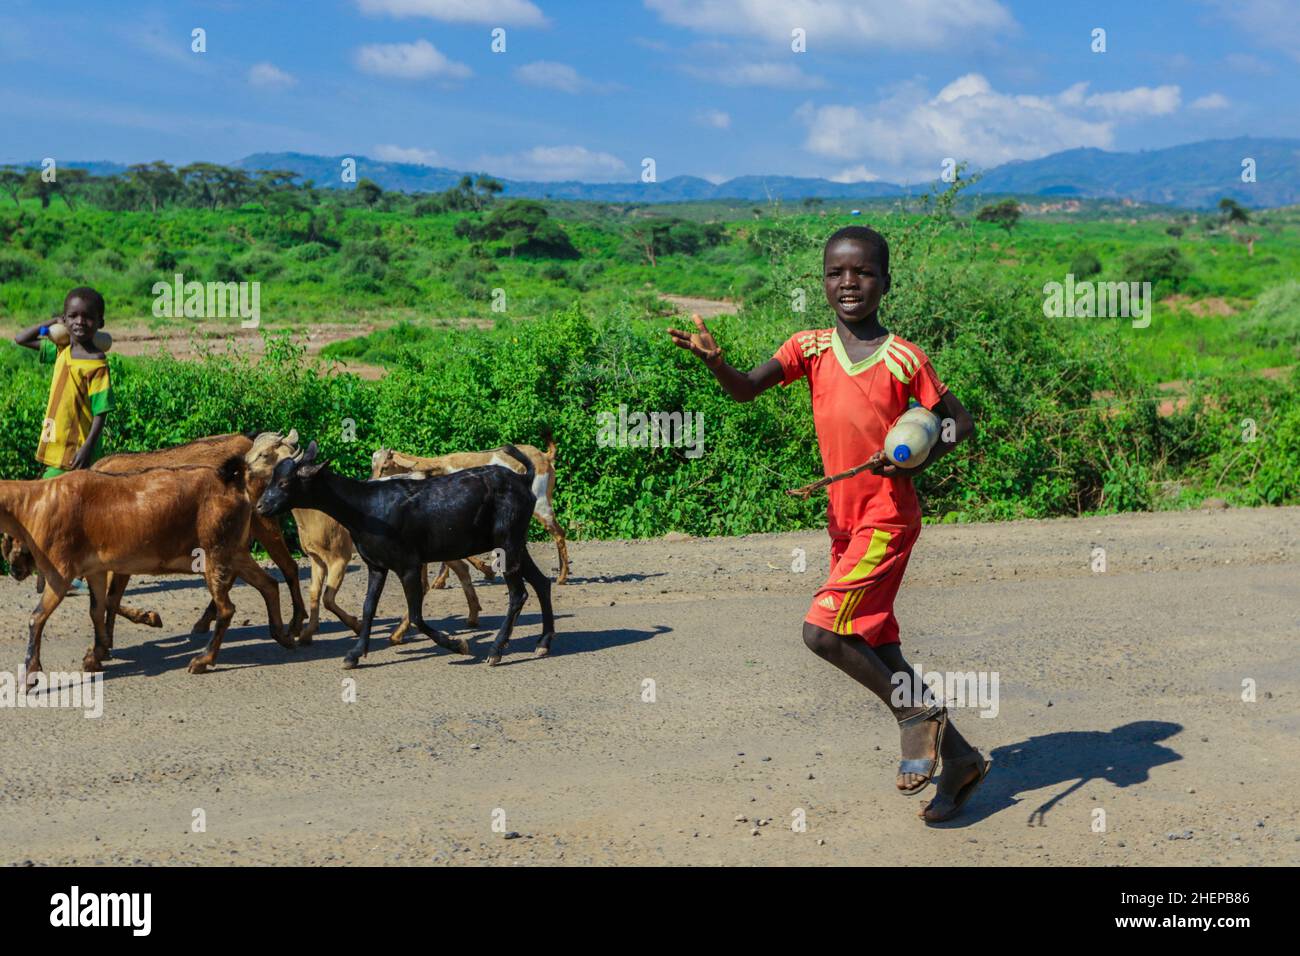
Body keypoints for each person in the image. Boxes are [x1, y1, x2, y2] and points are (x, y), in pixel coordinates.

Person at [668, 226, 990, 823]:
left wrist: (916, 453)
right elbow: (744, 391)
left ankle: (913, 717)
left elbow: (958, 424)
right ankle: (963, 758)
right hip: (842, 520)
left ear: (885, 283)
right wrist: (717, 364)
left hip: (888, 518)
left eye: (863, 272)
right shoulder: (808, 348)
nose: (849, 283)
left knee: (822, 631)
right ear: (822, 281)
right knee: (875, 643)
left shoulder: (904, 358)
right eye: (836, 273)